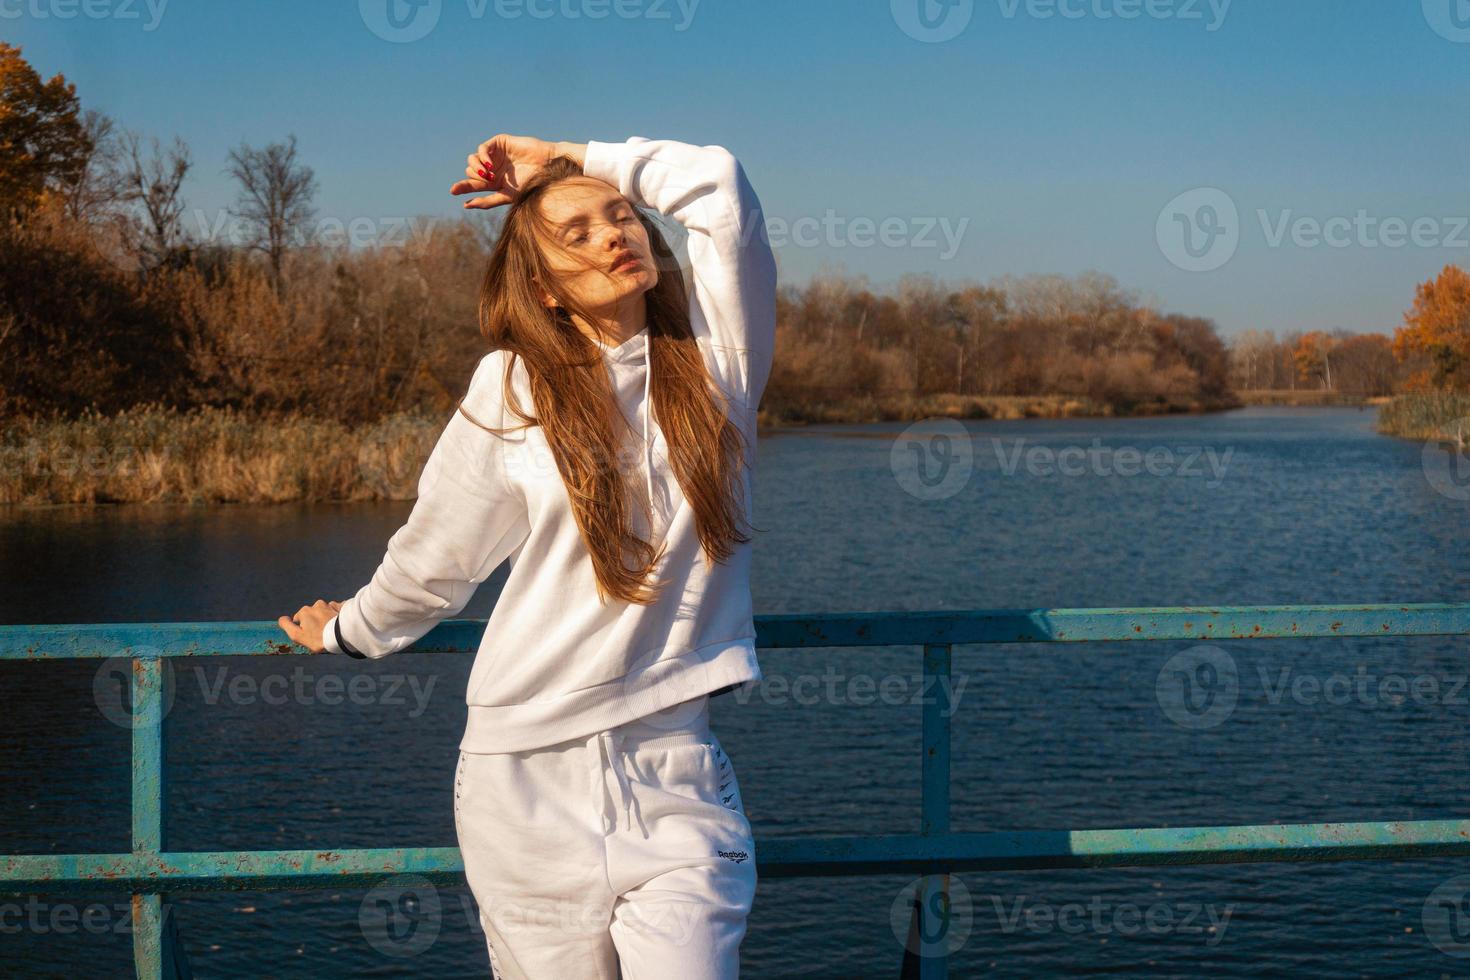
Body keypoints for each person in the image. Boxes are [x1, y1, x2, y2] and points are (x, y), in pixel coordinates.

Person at [276, 132, 777, 979]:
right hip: (523, 787)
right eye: (575, 234)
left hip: (675, 774)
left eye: (620, 216)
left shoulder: (717, 364)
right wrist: (351, 631)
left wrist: (566, 156)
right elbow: (437, 557)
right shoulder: (511, 387)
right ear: (541, 290)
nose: (614, 234)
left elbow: (718, 185)